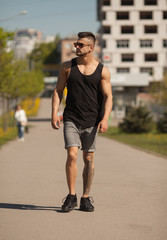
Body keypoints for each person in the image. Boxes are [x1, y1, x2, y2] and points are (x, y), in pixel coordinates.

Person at [51, 32, 113, 212]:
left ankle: (85, 197)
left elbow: (108, 96)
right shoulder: (67, 67)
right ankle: (71, 196)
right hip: (71, 117)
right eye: (75, 44)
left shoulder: (103, 71)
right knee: (72, 155)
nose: (76, 47)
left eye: (80, 45)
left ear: (91, 48)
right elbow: (58, 90)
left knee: (89, 159)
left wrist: (105, 118)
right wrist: (55, 113)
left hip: (92, 120)